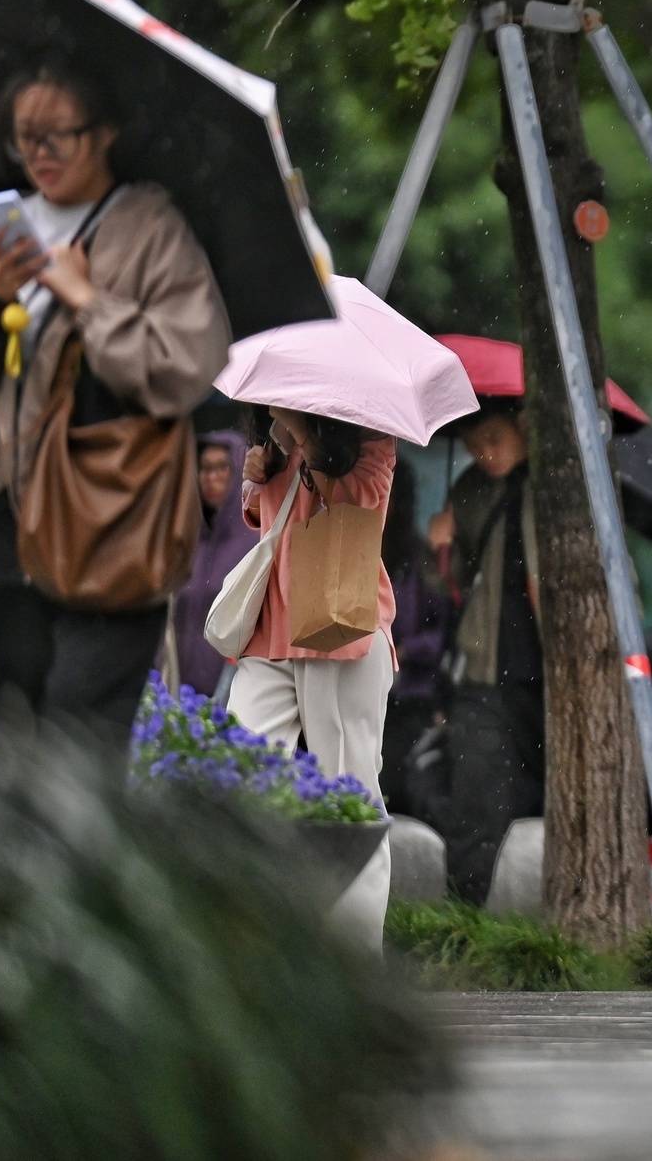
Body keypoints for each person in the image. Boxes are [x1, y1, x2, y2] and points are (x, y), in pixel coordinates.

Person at [0, 55, 229, 764]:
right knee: (18, 741)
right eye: (24, 137)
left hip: (119, 524)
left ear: (106, 132)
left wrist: (88, 300)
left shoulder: (152, 231)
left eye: (58, 135)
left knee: (78, 747)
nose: (39, 153)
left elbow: (190, 369)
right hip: (16, 531)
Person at [231, 407, 397, 951]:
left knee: (349, 797)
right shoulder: (274, 434)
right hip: (269, 632)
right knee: (243, 776)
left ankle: (357, 960)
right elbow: (262, 516)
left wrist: (304, 435)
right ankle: (258, 946)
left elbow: (361, 501)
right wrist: (259, 472)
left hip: (340, 631)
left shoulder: (370, 429)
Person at [421, 398, 544, 905]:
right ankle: (469, 910)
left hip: (550, 672)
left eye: (494, 439)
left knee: (546, 794)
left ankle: (540, 908)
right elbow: (448, 588)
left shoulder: (558, 482)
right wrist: (440, 547)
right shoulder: (470, 490)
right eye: (474, 446)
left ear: (522, 426)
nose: (485, 454)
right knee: (478, 796)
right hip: (484, 670)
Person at [381, 457, 449, 815]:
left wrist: (406, 650)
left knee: (394, 779)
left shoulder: (419, 558)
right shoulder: (356, 549)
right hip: (364, 685)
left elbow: (443, 631)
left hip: (408, 695)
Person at [171, 431, 258, 702]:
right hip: (178, 692)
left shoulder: (254, 541)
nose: (211, 477)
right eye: (205, 468)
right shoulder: (187, 538)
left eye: (222, 467)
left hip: (229, 694)